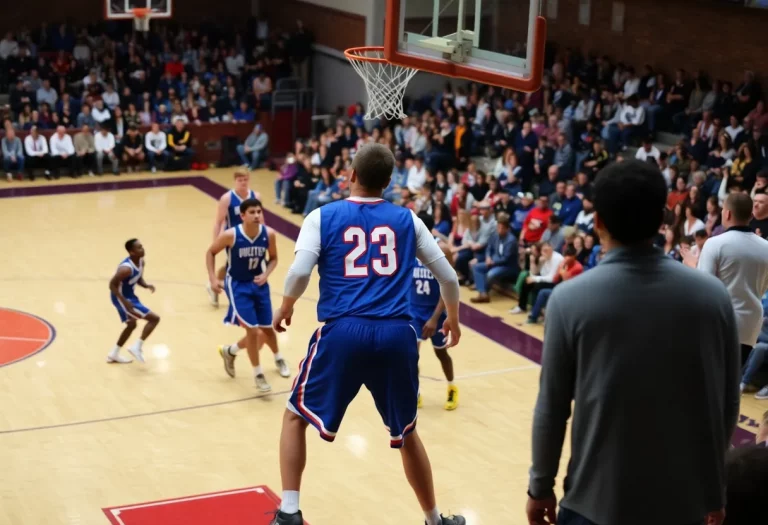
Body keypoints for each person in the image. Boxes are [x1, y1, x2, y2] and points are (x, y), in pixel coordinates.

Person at [527, 160, 740, 525]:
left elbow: (552, 409)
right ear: (662, 219)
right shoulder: (714, 296)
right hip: (683, 503)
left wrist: (540, 486)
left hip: (593, 504)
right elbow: (725, 404)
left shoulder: (567, 300)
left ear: (598, 222)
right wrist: (714, 489)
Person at [269, 143, 464, 525]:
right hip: (397, 335)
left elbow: (299, 271)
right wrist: (452, 319)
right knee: (407, 433)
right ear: (389, 182)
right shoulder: (408, 219)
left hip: (343, 331)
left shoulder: (322, 216)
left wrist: (287, 305)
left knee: (295, 417)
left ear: (351, 174)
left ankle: (289, 512)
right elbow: (449, 277)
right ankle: (434, 520)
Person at [206, 198, 288, 392]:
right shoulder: (230, 235)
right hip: (237, 286)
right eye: (252, 212)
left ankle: (272, 357)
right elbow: (210, 252)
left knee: (268, 329)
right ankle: (258, 374)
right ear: (242, 216)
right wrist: (212, 279)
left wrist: (266, 274)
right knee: (253, 331)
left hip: (259, 285)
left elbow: (274, 258)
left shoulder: (269, 234)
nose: (257, 215)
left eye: (259, 211)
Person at [683, 193, 768, 366]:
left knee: (712, 384)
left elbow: (705, 287)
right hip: (751, 325)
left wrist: (692, 265)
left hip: (721, 322)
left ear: (727, 214)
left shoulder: (715, 243)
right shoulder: (766, 247)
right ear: (751, 216)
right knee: (731, 381)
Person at [410, 213, 458, 411]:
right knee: (411, 355)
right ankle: (416, 391)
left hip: (435, 311)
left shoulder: (442, 250)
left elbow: (448, 285)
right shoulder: (408, 247)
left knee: (442, 354)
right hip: (413, 310)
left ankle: (451, 387)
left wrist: (435, 318)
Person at [107, 239, 161, 364]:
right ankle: (137, 346)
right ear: (131, 252)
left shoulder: (141, 261)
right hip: (121, 298)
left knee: (132, 325)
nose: (142, 249)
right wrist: (124, 302)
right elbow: (111, 285)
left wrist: (146, 285)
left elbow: (138, 278)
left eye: (142, 246)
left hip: (130, 296)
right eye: (139, 248)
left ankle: (113, 354)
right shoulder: (125, 269)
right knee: (154, 319)